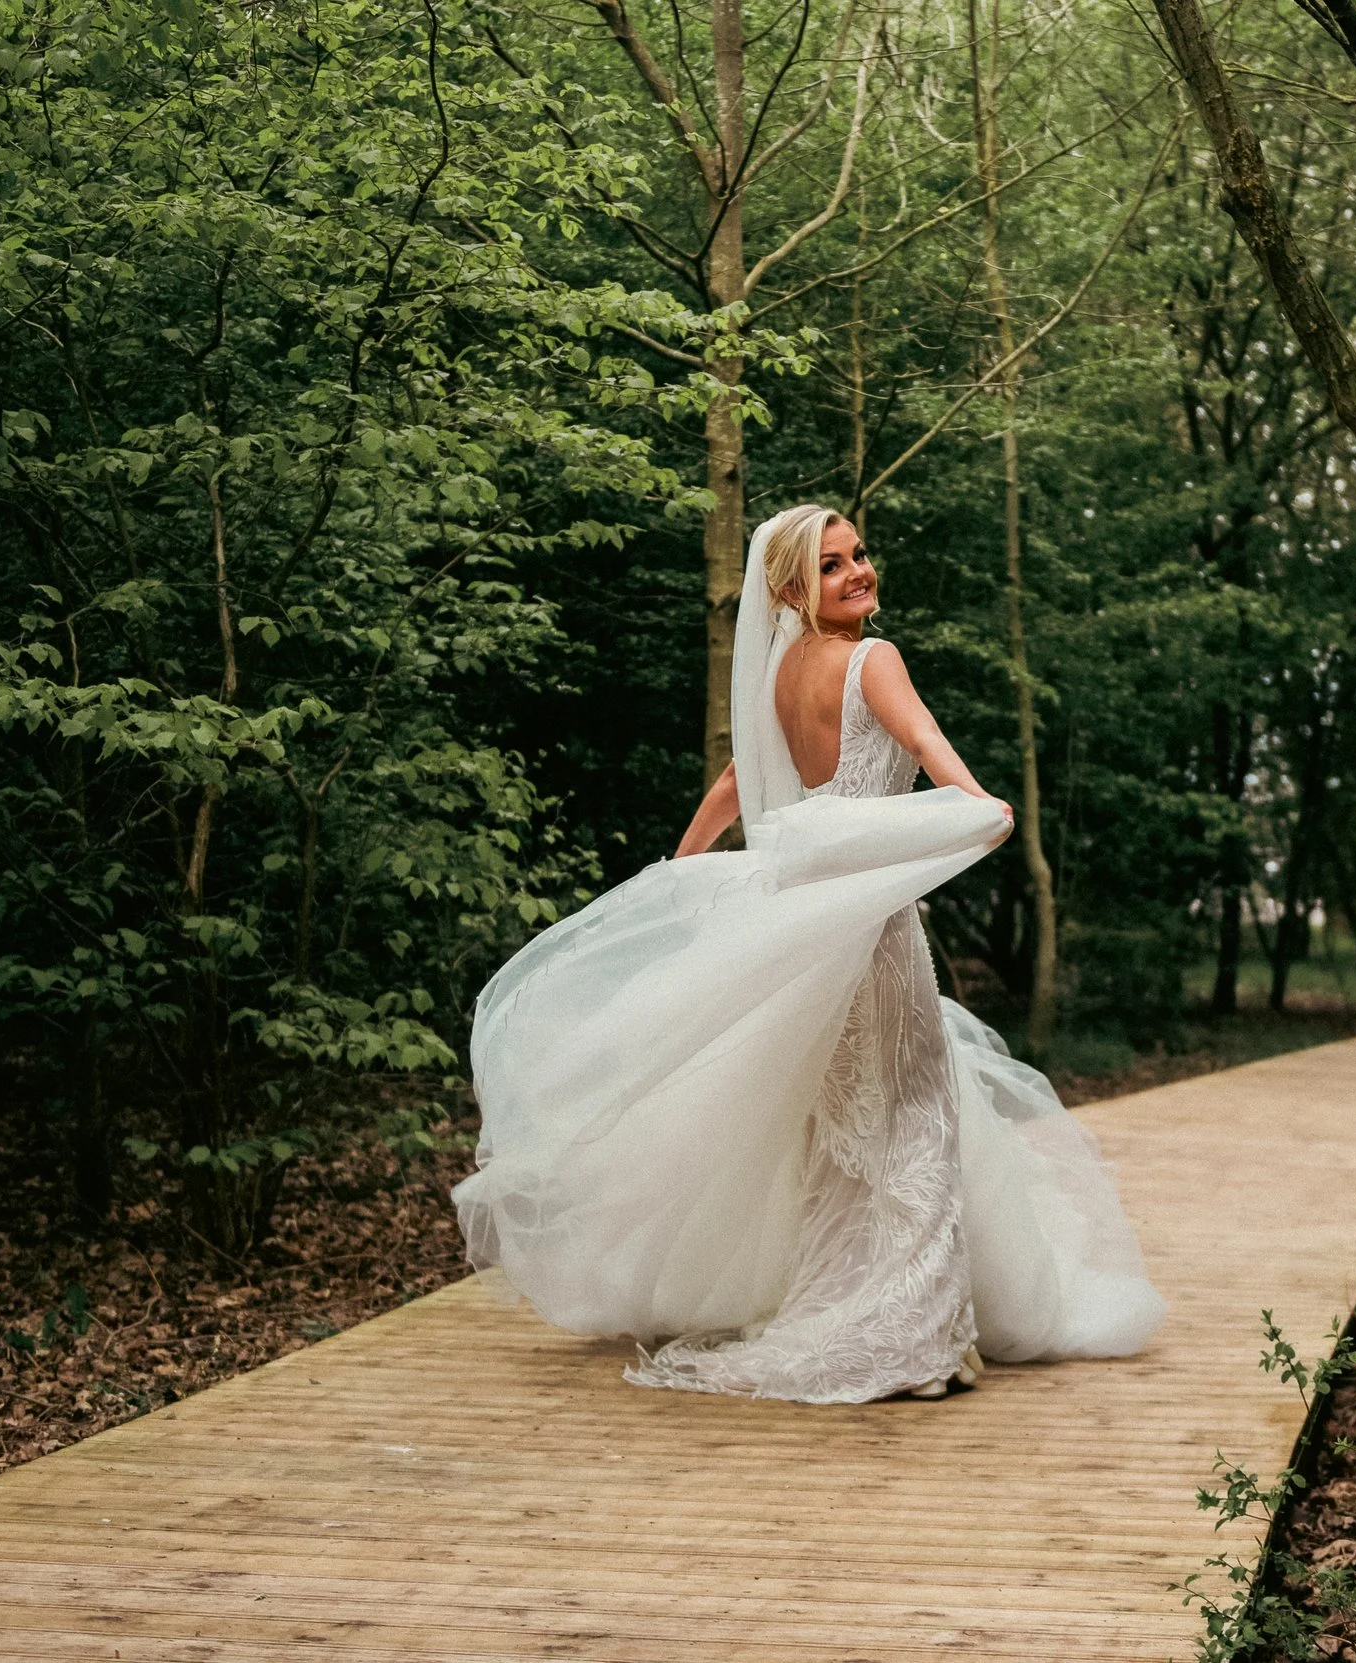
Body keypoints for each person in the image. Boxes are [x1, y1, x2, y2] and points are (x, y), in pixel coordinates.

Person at [455, 504, 1164, 1403]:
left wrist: (682, 868)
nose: (860, 571)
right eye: (834, 566)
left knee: (837, 1131)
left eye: (861, 554)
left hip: (807, 931)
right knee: (912, 1118)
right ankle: (917, 1334)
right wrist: (978, 801)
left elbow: (736, 780)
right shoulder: (875, 659)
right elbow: (921, 739)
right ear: (792, 587)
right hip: (872, 932)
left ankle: (852, 1302)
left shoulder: (780, 672)